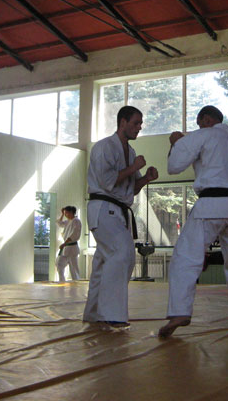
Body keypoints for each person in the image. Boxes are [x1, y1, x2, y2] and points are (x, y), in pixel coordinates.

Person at [159, 106, 228, 337]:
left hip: (212, 205)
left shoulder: (204, 135)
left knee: (185, 258)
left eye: (199, 123)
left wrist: (175, 144)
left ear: (205, 119)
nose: (198, 127)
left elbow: (174, 167)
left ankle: (180, 312)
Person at [83, 106, 158, 328]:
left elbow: (130, 189)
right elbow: (107, 182)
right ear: (122, 122)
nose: (139, 127)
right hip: (103, 207)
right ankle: (110, 314)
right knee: (122, 252)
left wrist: (146, 178)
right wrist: (133, 167)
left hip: (119, 211)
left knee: (104, 262)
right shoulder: (104, 147)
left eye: (140, 123)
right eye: (136, 123)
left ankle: (93, 313)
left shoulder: (131, 152)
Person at [56, 206, 82, 282]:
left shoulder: (76, 221)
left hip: (72, 247)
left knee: (73, 268)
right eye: (65, 213)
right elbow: (60, 223)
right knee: (59, 264)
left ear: (71, 212)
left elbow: (74, 234)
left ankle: (77, 282)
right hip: (66, 247)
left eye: (66, 213)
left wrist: (64, 243)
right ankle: (62, 281)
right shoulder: (68, 221)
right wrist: (62, 214)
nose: (65, 215)